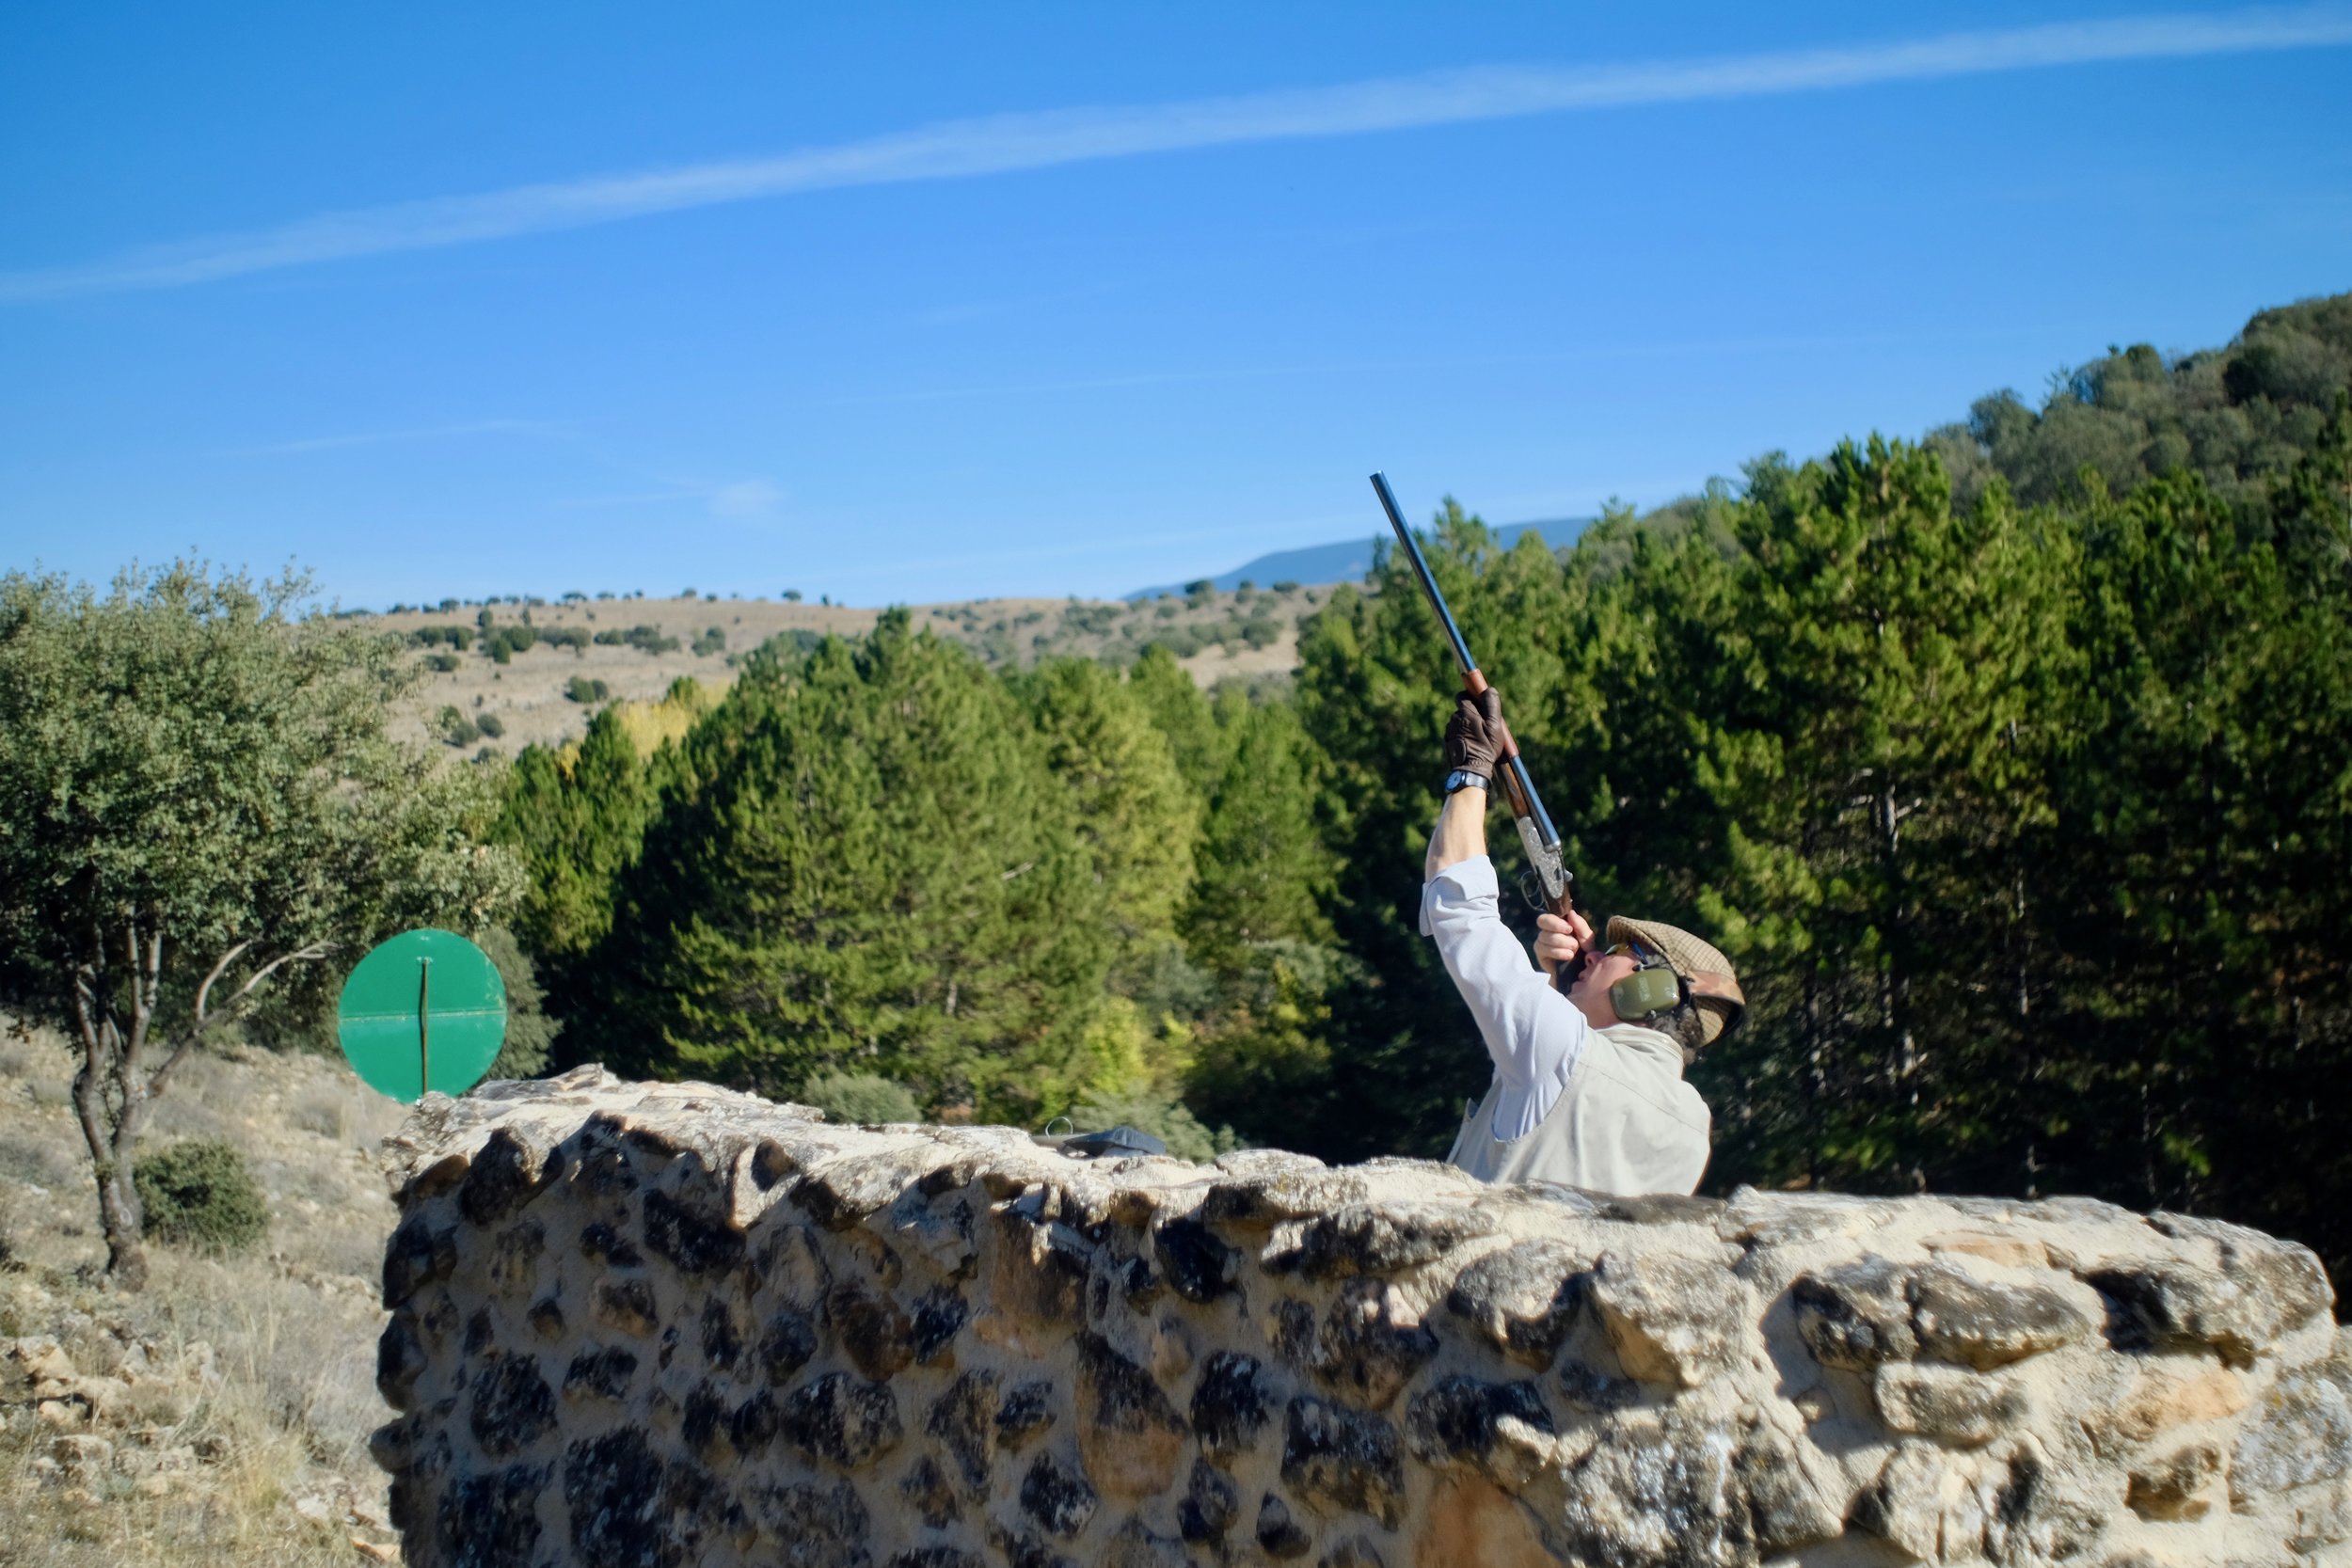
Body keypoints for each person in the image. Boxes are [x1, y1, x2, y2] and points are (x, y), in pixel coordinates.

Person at [1421, 688, 1744, 1195]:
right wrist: (1562, 988)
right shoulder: (1691, 1123)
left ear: (1650, 990)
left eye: (1616, 953)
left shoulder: (1562, 1054)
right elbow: (1551, 1128)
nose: (1593, 950)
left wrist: (1470, 775)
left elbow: (1459, 905)